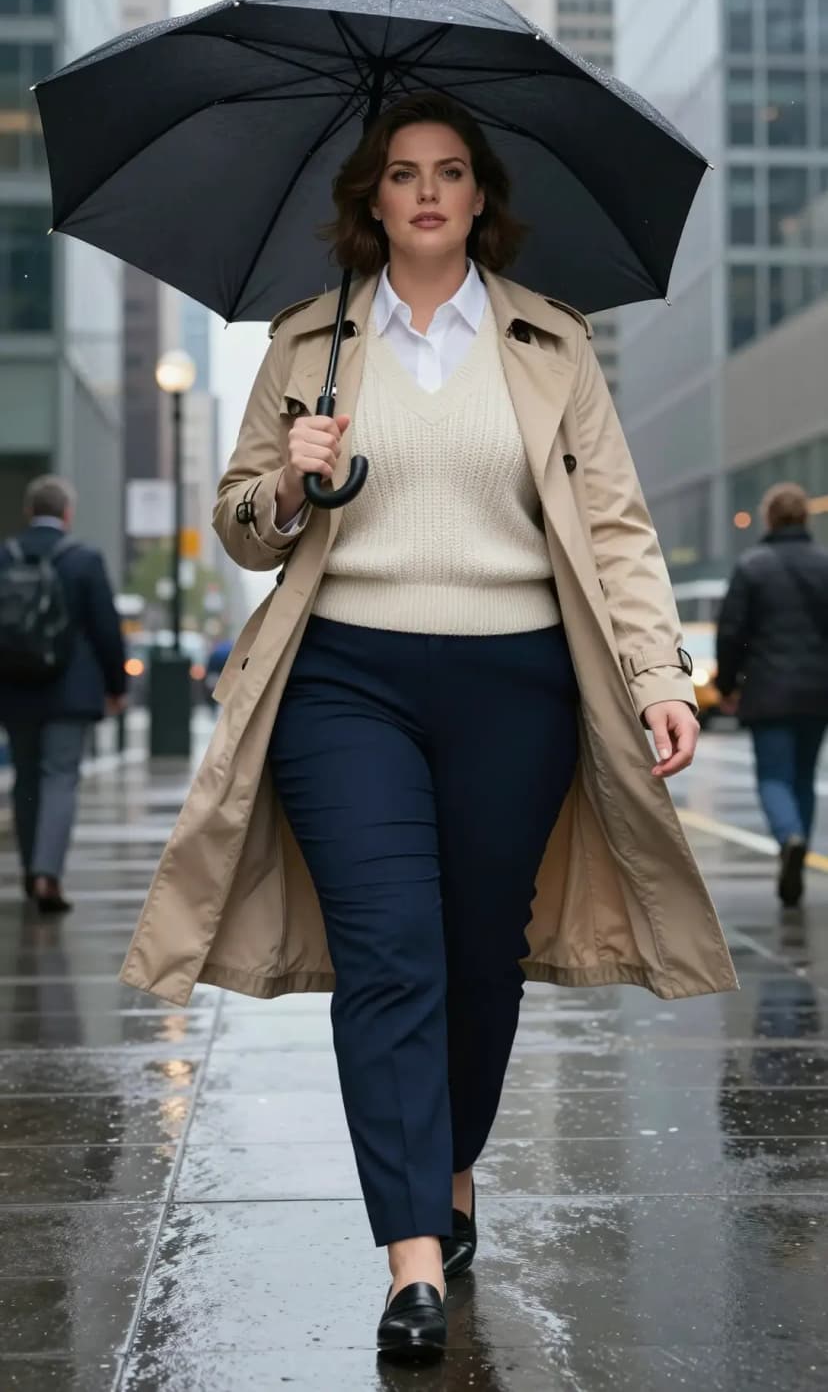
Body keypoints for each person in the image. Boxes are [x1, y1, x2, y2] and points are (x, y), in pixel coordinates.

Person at [120, 92, 737, 1364]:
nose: (428, 192)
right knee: (392, 954)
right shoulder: (310, 343)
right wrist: (293, 478)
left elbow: (614, 527)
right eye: (403, 173)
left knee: (476, 955)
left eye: (451, 172)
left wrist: (660, 675)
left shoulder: (551, 344)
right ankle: (412, 1257)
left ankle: (448, 1169)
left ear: (480, 196)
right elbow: (240, 524)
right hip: (346, 682)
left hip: (518, 683)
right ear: (372, 198)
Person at [0, 475, 126, 912]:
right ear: (67, 513)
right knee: (59, 778)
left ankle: (29, 871)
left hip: (14, 689)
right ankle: (47, 876)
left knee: (26, 779)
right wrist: (116, 687)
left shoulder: (5, 555)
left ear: (28, 511)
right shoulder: (84, 559)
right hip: (70, 693)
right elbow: (107, 630)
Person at [717, 481, 828, 907]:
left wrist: (727, 685)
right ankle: (799, 838)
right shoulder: (824, 564)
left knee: (772, 776)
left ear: (768, 517)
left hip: (769, 689)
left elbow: (732, 633)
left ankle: (789, 836)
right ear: (805, 517)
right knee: (803, 775)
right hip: (819, 691)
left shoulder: (752, 566)